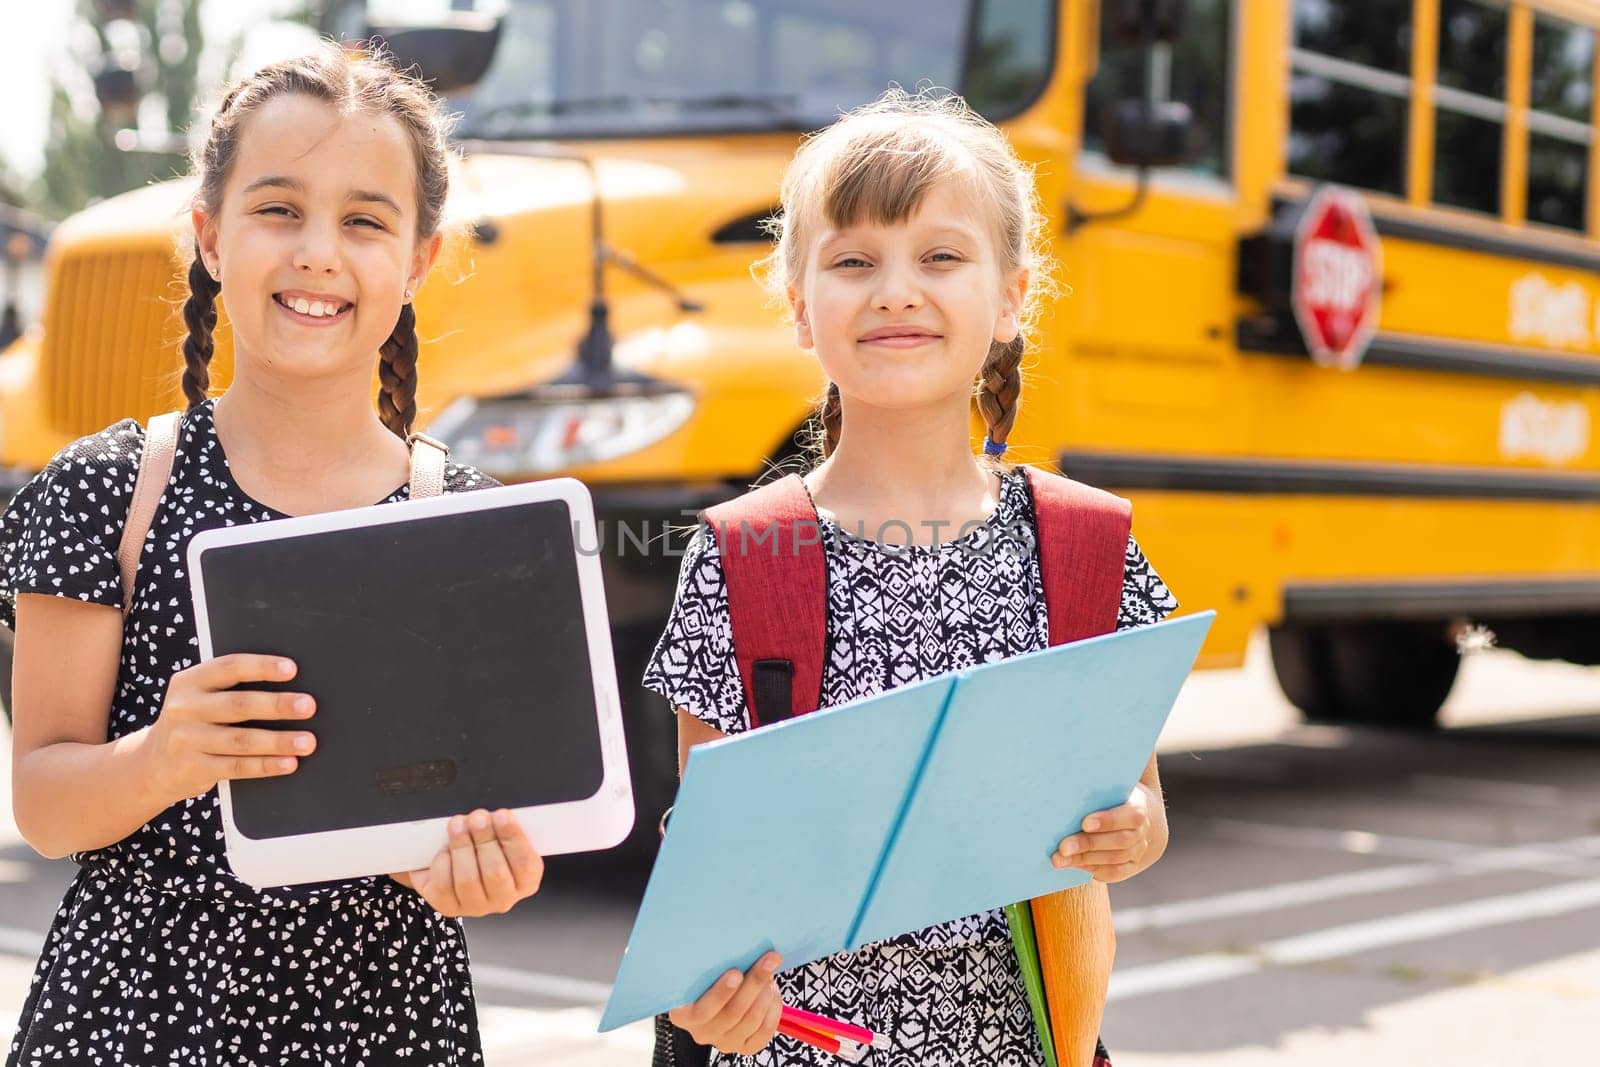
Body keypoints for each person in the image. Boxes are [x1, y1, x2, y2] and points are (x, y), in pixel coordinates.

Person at [2, 45, 540, 1066]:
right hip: (137, 1016)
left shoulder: (468, 518)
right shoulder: (107, 488)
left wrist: (482, 869)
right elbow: (42, 803)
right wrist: (161, 756)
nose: (318, 253)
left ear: (420, 260)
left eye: (365, 220)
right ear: (208, 235)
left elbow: (495, 819)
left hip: (389, 1020)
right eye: (278, 209)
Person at [643, 88, 1179, 1066]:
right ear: (801, 306)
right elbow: (707, 877)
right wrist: (710, 998)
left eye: (940, 256)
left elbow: (1138, 805)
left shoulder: (1081, 544)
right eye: (853, 261)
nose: (895, 289)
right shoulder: (741, 555)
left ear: (1013, 296)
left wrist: (1130, 830)